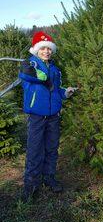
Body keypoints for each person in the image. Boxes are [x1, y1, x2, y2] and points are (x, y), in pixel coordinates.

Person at [19, 31, 75, 200]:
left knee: (51, 148)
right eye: (42, 48)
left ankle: (49, 177)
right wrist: (42, 76)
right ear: (36, 50)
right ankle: (31, 184)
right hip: (37, 115)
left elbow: (57, 89)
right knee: (35, 150)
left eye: (48, 49)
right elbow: (25, 73)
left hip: (53, 115)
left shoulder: (55, 70)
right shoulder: (30, 64)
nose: (46, 51)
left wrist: (66, 93)